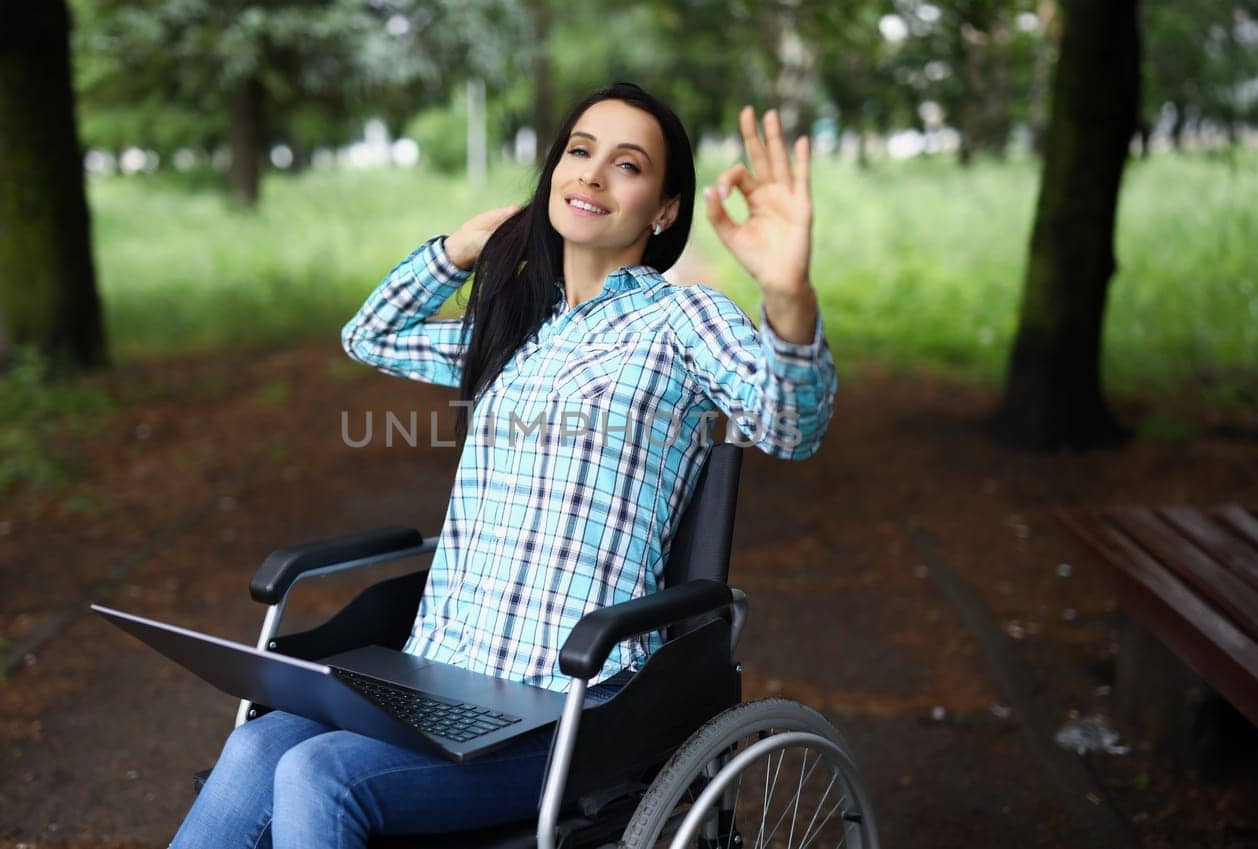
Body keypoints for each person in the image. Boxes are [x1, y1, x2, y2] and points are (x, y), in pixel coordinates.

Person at [169, 81, 836, 849]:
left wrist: (788, 298)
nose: (591, 174)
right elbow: (370, 334)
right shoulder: (517, 328)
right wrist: (461, 248)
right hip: (439, 680)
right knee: (259, 744)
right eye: (579, 152)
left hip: (569, 704)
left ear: (665, 210)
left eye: (627, 165)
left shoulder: (679, 321)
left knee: (317, 775)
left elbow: (789, 426)